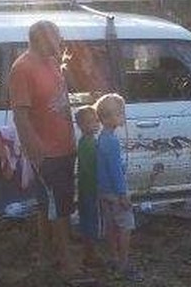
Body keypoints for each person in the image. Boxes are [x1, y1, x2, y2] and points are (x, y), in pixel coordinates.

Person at [9, 20, 78, 276]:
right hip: (47, 152)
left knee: (51, 204)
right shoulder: (22, 69)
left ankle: (46, 257)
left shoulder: (51, 62)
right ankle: (66, 260)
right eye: (56, 37)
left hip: (65, 147)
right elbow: (21, 116)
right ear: (41, 39)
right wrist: (37, 153)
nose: (60, 41)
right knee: (59, 207)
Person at [95, 93, 140, 281]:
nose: (123, 116)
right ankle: (123, 264)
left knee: (111, 226)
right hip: (115, 193)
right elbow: (115, 171)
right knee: (125, 225)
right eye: (119, 113)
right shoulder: (112, 142)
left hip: (104, 193)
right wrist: (123, 195)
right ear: (106, 118)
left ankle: (113, 258)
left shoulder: (102, 138)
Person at [74, 106, 104, 268]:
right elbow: (90, 169)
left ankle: (90, 252)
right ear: (81, 125)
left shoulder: (88, 141)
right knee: (90, 221)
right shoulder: (88, 144)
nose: (95, 124)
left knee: (89, 220)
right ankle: (90, 254)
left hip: (87, 189)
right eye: (90, 122)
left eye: (96, 121)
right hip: (89, 190)